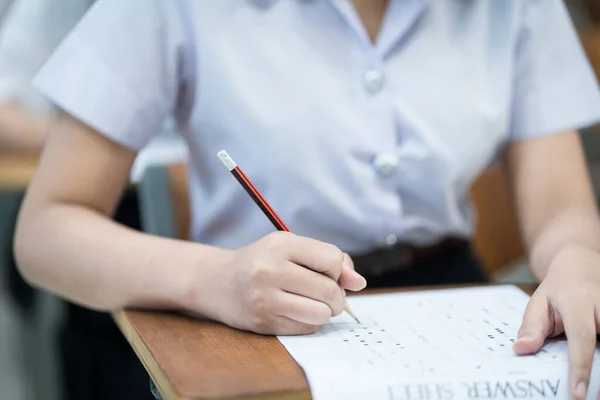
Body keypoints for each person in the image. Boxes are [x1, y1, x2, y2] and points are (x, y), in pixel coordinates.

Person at [12, 0, 600, 399]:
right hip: (252, 312)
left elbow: (560, 209)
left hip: (450, 304)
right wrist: (214, 279)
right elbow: (47, 232)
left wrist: (576, 258)